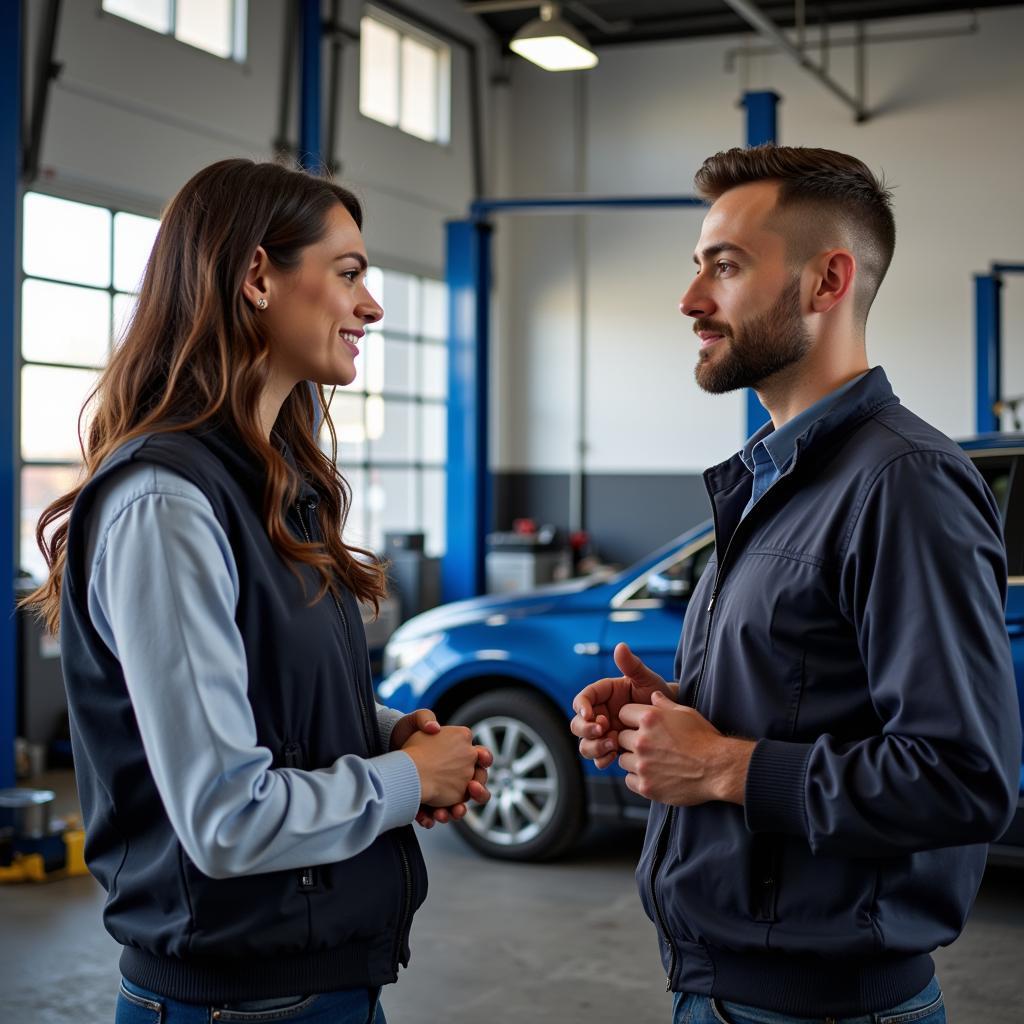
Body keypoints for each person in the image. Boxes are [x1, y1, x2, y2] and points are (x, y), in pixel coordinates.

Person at [23, 158, 492, 1024]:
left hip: (321, 985)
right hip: (238, 1006)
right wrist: (400, 778)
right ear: (256, 277)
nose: (371, 305)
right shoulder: (166, 503)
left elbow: (266, 698)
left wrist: (389, 733)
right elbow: (224, 815)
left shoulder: (275, 480)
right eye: (348, 273)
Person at [570, 145, 1020, 1024]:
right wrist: (674, 716)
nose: (691, 299)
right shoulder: (778, 478)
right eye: (696, 266)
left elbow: (965, 778)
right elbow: (814, 694)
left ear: (827, 282)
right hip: (725, 989)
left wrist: (723, 765)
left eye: (726, 267)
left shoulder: (904, 484)